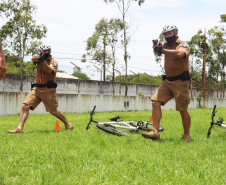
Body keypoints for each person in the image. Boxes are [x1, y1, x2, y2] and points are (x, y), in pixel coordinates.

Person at [8, 44, 74, 133]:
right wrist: (39, 57)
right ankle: (20, 128)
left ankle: (68, 124)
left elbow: (50, 71)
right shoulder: (39, 58)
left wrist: (43, 61)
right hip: (36, 89)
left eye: (45, 51)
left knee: (53, 111)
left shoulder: (54, 62)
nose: (43, 53)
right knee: (25, 106)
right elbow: (33, 58)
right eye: (42, 51)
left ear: (49, 52)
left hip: (48, 90)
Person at [142, 24, 191, 141]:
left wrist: (163, 50)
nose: (167, 36)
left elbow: (180, 54)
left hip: (181, 81)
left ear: (176, 33)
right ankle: (155, 131)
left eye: (169, 33)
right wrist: (155, 47)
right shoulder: (165, 45)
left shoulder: (183, 45)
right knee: (155, 102)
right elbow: (157, 52)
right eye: (165, 34)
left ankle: (187, 136)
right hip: (167, 81)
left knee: (182, 109)